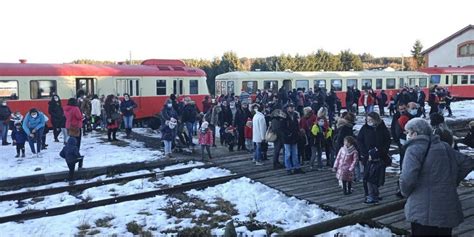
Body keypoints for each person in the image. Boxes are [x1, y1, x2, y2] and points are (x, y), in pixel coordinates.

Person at [400, 118, 474, 236]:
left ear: (415, 133)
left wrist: (405, 192)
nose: (407, 135)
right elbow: (468, 162)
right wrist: (452, 181)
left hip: (422, 208)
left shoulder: (414, 149)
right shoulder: (444, 146)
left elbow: (407, 178)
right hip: (446, 208)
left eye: (407, 132)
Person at [357, 112, 391, 201]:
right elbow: (360, 141)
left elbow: (387, 141)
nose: (369, 122)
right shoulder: (364, 128)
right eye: (368, 120)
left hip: (380, 156)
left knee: (377, 176)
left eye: (371, 120)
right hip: (367, 156)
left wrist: (381, 151)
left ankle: (375, 193)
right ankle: (369, 194)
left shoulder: (382, 128)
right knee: (368, 176)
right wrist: (365, 153)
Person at [282, 103, 304, 175]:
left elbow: (297, 125)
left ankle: (296, 167)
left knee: (295, 153)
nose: (292, 109)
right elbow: (282, 127)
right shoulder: (284, 116)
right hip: (287, 138)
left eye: (293, 107)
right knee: (288, 154)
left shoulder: (295, 115)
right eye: (291, 107)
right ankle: (288, 168)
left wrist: (298, 133)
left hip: (294, 137)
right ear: (287, 108)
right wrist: (288, 134)